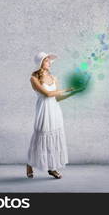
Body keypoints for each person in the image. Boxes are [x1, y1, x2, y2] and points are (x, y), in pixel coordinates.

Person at [26, 51, 82, 179]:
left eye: (49, 60)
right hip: (44, 110)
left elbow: (57, 98)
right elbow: (48, 94)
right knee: (40, 137)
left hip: (54, 110)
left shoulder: (54, 78)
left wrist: (74, 93)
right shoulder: (33, 78)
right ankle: (30, 163)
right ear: (40, 63)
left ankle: (52, 168)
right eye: (46, 60)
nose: (49, 62)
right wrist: (67, 89)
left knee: (54, 138)